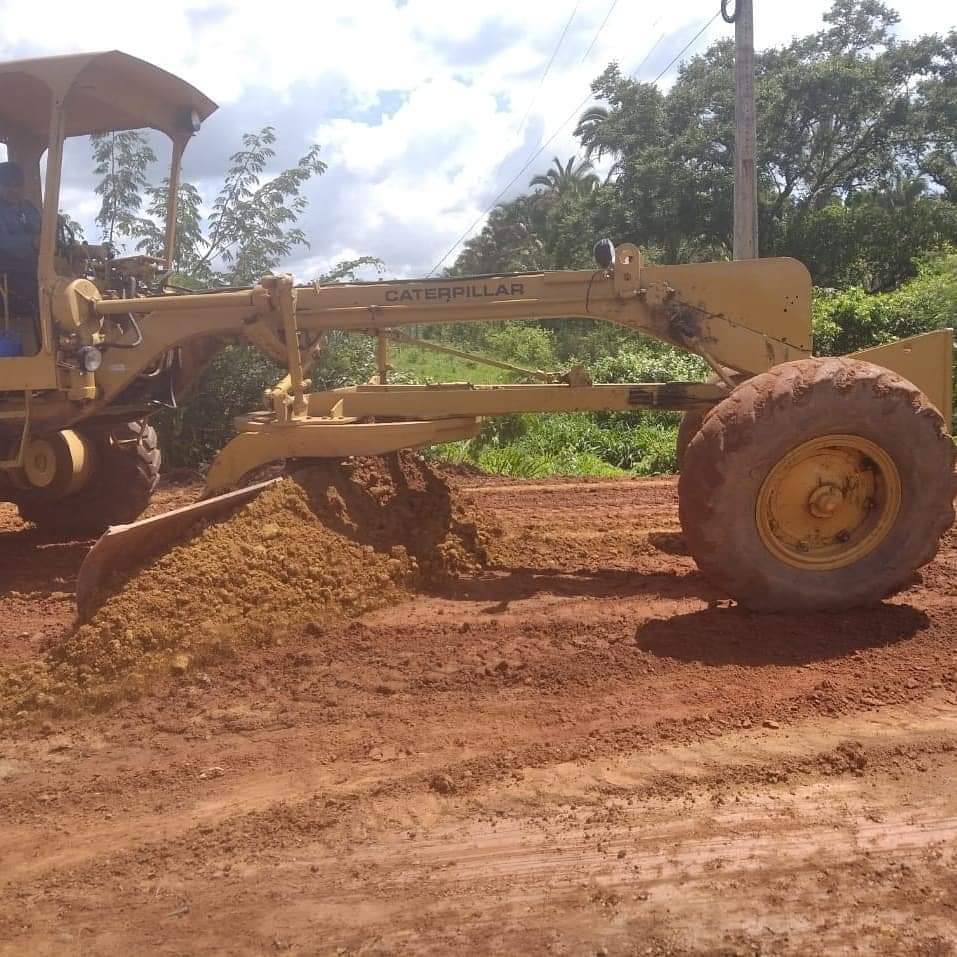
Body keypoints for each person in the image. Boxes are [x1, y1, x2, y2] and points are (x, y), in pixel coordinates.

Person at [0, 160, 41, 311]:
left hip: (37, 272)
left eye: (17, 185)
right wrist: (32, 242)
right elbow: (3, 243)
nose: (13, 190)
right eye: (7, 185)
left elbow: (43, 233)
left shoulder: (29, 208)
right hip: (8, 277)